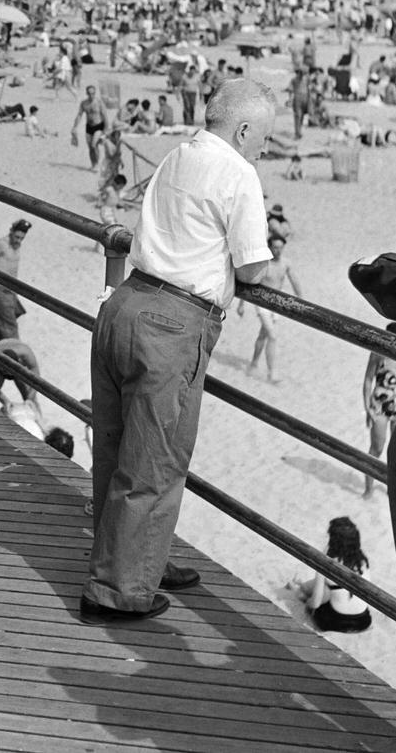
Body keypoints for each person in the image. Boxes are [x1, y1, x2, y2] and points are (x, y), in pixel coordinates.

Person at [82, 78, 275, 622]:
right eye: (263, 137)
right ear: (241, 130)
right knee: (155, 461)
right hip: (172, 322)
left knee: (117, 450)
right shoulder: (239, 172)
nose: (264, 148)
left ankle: (141, 559)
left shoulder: (175, 156)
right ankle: (118, 590)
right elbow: (253, 265)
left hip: (126, 303)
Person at [360, 320, 396, 497]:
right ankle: (368, 488)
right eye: (390, 338)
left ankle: (392, 487)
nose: (393, 343)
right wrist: (367, 407)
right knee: (377, 448)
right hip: (379, 406)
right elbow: (368, 380)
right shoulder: (378, 354)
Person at [241, 234, 302, 383]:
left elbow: (294, 280)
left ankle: (254, 363)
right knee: (272, 336)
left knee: (263, 335)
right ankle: (272, 373)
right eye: (275, 247)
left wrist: (301, 301)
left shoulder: (286, 263)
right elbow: (251, 283)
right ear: (270, 247)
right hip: (262, 304)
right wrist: (242, 304)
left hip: (276, 305)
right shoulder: (264, 264)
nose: (278, 251)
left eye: (281, 247)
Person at [303, 517, 372, 633]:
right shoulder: (362, 561)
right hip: (363, 621)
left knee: (320, 589)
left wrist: (307, 604)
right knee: (331, 588)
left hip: (336, 621)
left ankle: (299, 590)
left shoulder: (328, 561)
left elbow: (315, 603)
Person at [0, 219, 30, 345]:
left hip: (11, 290)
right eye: (17, 237)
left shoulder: (17, 246)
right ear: (11, 231)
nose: (18, 241)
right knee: (10, 325)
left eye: (22, 238)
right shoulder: (1, 244)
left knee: (5, 318)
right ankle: (17, 356)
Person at [71, 85, 107, 169]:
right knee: (90, 147)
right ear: (87, 93)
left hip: (98, 126)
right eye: (90, 93)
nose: (91, 95)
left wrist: (106, 130)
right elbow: (79, 115)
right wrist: (74, 127)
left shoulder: (99, 102)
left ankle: (97, 163)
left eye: (93, 93)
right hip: (89, 127)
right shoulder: (84, 103)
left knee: (94, 145)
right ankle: (93, 164)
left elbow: (104, 115)